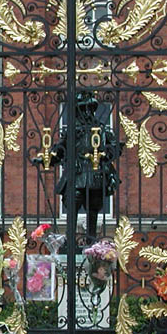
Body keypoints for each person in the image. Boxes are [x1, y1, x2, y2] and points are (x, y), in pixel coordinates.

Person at [37, 93, 120, 240]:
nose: (84, 114)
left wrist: (108, 152)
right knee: (73, 205)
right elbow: (59, 152)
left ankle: (91, 240)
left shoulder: (101, 130)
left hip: (95, 174)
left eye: (87, 109)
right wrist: (45, 160)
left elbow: (114, 149)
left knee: (93, 208)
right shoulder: (72, 132)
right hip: (77, 174)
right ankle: (70, 241)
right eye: (81, 110)